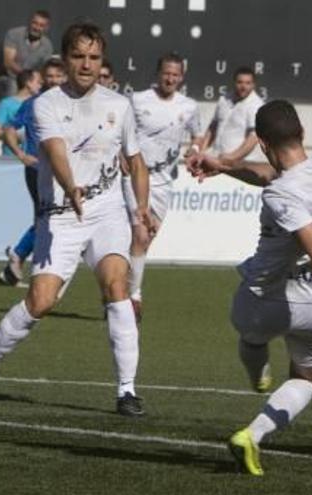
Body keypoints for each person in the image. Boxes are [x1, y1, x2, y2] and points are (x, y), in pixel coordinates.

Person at [0, 23, 152, 417]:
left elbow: (135, 160)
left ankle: (127, 390)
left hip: (106, 211)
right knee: (40, 301)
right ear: (65, 58)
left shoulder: (119, 105)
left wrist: (140, 209)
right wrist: (70, 185)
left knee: (118, 286)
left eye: (94, 57)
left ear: (102, 62)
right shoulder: (46, 104)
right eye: (79, 56)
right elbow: (56, 151)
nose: (86, 64)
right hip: (61, 215)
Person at [188, 100, 312, 476]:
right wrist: (224, 166)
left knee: (252, 336)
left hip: (260, 301)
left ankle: (258, 367)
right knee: (308, 377)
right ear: (302, 132)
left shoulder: (279, 195)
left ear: (261, 143)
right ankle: (252, 436)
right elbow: (272, 175)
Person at [123, 53, 206, 320]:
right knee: (140, 234)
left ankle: (121, 287)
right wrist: (119, 155)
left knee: (148, 238)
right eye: (166, 73)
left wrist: (193, 150)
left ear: (181, 77)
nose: (170, 79)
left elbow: (198, 134)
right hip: (137, 174)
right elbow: (119, 132)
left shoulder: (189, 106)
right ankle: (132, 297)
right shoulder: (137, 100)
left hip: (164, 178)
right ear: (158, 74)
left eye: (175, 74)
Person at [0, 59, 67, 287]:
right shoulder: (33, 103)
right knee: (47, 216)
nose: (54, 80)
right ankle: (24, 259)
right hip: (37, 169)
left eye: (59, 76)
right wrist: (20, 153)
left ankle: (17, 259)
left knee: (49, 216)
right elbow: (8, 128)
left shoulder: (72, 103)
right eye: (50, 76)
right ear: (44, 78)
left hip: (61, 169)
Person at [0, 10, 54, 114]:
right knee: (12, 86)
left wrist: (35, 82)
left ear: (46, 28)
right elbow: (8, 63)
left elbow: (44, 70)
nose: (37, 28)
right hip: (5, 78)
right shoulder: (14, 34)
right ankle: (4, 124)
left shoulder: (47, 45)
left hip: (29, 81)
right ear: (30, 22)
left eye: (41, 25)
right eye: (35, 23)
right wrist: (28, 78)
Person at [202, 67, 264, 162]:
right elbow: (213, 127)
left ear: (253, 85)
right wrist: (202, 151)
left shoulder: (256, 105)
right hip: (216, 157)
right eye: (240, 82)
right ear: (234, 82)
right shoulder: (224, 99)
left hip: (241, 163)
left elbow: (254, 137)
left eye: (248, 83)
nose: (243, 86)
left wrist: (232, 157)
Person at [0, 69, 43, 157]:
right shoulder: (6, 103)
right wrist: (16, 136)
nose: (40, 86)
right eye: (38, 82)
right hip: (11, 158)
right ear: (28, 83)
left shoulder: (39, 103)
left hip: (34, 158)